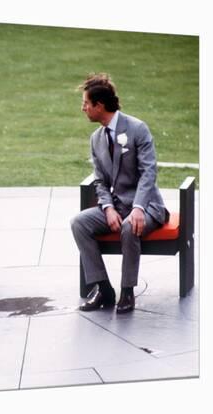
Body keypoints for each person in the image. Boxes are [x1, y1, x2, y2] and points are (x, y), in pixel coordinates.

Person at [71, 73, 169, 314]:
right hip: (117, 206)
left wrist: (138, 208)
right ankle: (103, 288)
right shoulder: (96, 139)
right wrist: (108, 208)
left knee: (129, 226)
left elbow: (149, 172)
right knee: (79, 223)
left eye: (86, 103)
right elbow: (100, 181)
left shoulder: (137, 129)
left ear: (99, 106)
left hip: (148, 208)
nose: (83, 108)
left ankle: (127, 291)